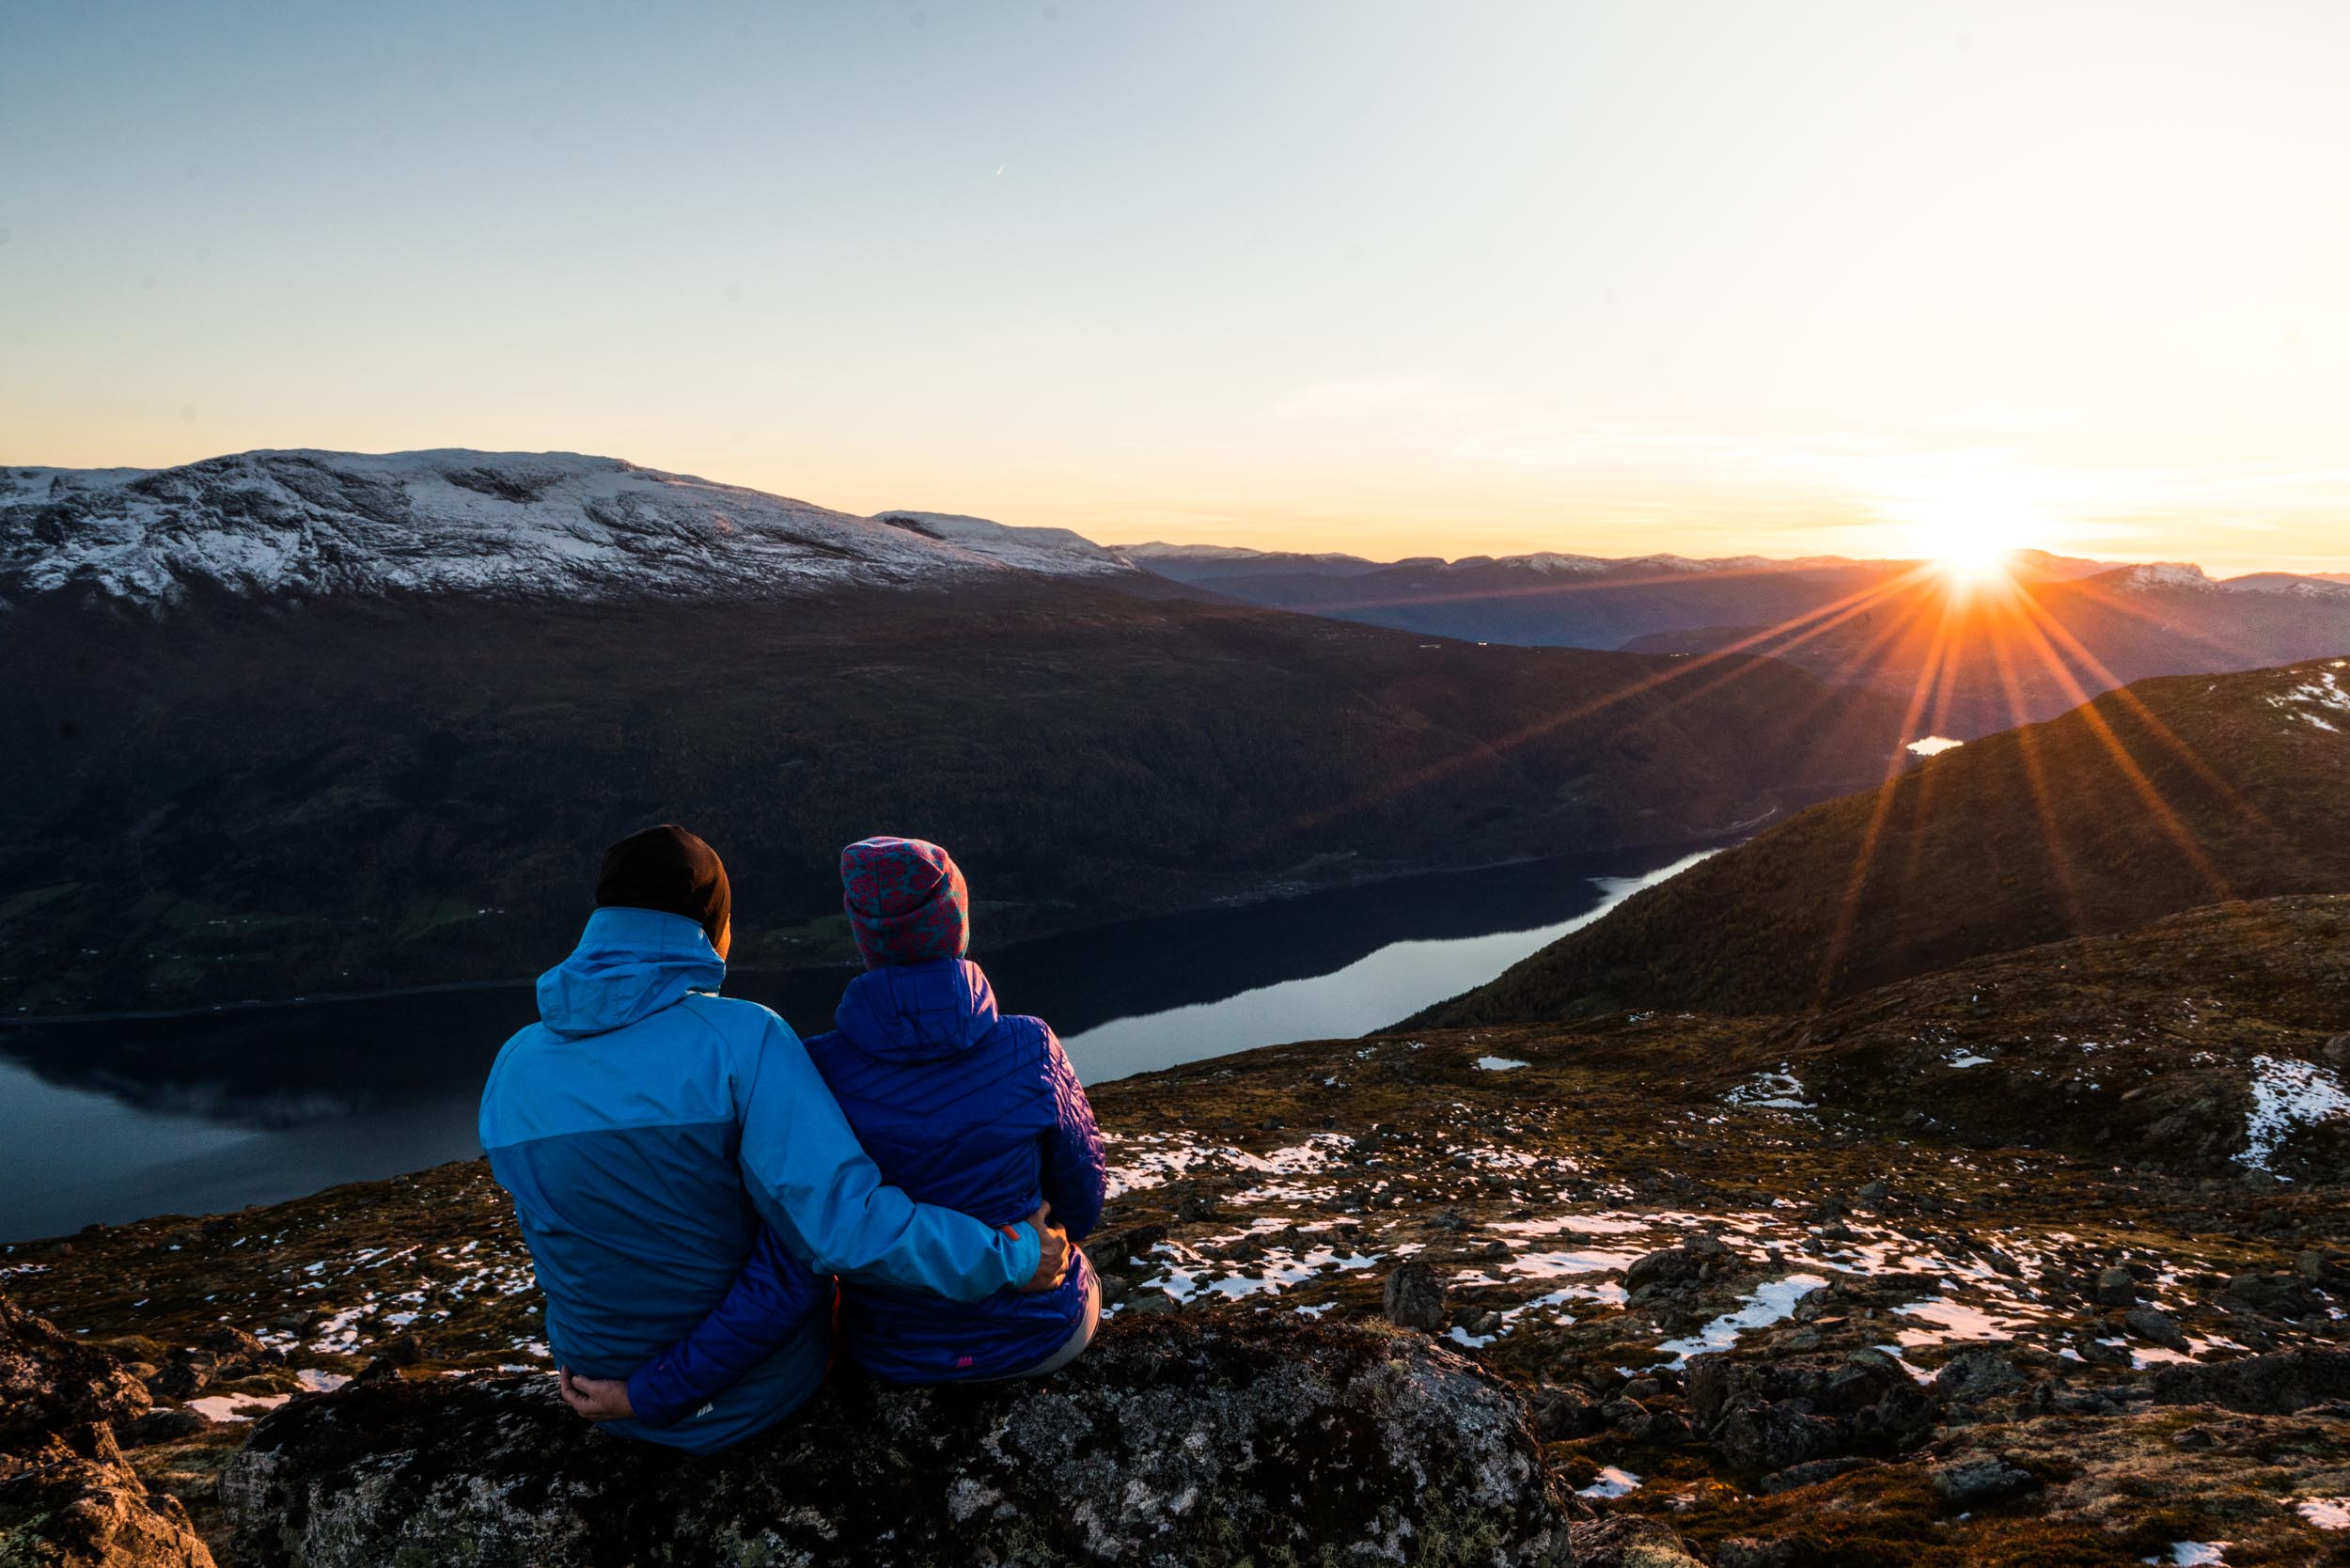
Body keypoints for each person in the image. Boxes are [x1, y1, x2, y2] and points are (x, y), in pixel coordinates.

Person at [478, 824, 1069, 1454]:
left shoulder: (513, 1064)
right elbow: (845, 1232)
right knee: (806, 1258)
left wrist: (631, 1393)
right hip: (742, 1398)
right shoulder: (741, 1041)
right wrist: (1014, 1257)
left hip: (599, 1394)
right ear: (712, 927)